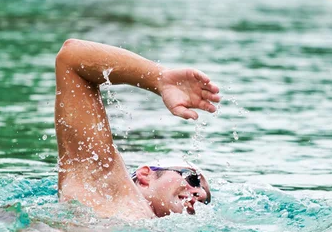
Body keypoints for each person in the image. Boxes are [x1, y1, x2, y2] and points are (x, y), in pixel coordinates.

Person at [55, 39, 221, 220]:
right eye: (192, 179)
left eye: (207, 200)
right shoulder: (104, 188)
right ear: (145, 176)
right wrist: (159, 78)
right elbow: (72, 58)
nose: (201, 195)